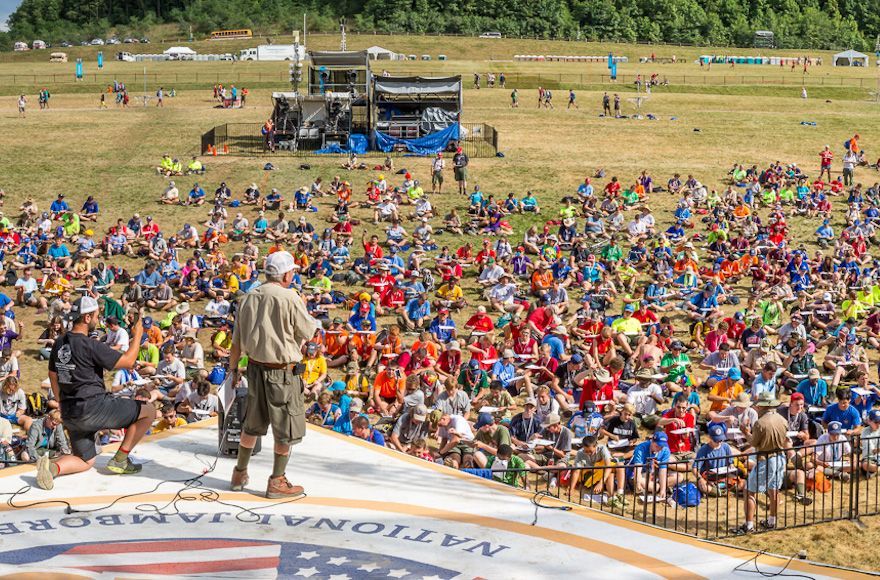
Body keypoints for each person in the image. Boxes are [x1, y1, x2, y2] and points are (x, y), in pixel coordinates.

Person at [36, 296, 158, 490]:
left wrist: (61, 401)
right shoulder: (89, 345)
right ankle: (121, 459)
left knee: (86, 461)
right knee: (149, 410)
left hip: (69, 413)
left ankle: (52, 468)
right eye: (95, 316)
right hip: (93, 408)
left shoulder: (59, 342)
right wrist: (138, 334)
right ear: (86, 318)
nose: (97, 319)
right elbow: (127, 362)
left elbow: (52, 375)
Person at [228, 251, 320, 498]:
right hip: (282, 372)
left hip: (255, 368)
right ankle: (277, 480)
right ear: (286, 274)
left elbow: (236, 341)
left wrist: (233, 369)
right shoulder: (290, 297)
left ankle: (239, 473)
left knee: (252, 424)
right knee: (285, 428)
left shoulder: (248, 297)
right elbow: (309, 331)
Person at [734, 392, 790, 534]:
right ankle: (771, 521)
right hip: (780, 458)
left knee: (749, 491)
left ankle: (749, 525)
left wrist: (745, 431)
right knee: (774, 490)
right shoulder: (782, 419)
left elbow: (753, 442)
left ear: (763, 406)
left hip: (766, 459)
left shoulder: (760, 423)